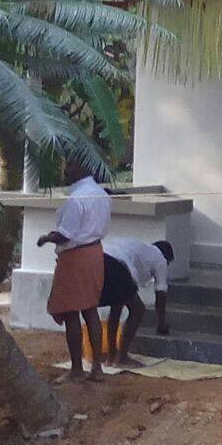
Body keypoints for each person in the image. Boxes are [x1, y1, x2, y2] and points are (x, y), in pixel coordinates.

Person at [37, 159, 111, 383]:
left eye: (69, 166)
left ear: (81, 168)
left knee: (71, 312)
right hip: (95, 252)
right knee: (90, 310)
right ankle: (97, 367)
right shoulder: (102, 194)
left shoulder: (76, 199)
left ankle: (77, 368)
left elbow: (66, 234)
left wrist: (47, 238)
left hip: (75, 256)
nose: (65, 170)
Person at [99, 239, 175, 368]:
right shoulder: (160, 258)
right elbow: (161, 293)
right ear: (167, 257)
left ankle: (111, 356)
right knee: (138, 309)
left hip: (99, 257)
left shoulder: (141, 249)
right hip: (118, 265)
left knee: (116, 306)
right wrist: (161, 324)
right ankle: (122, 357)